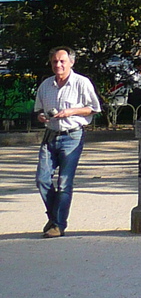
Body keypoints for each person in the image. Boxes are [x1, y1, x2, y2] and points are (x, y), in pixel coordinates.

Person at [33, 46, 101, 238]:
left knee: (64, 183)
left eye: (62, 61)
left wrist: (71, 111)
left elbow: (93, 108)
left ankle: (58, 224)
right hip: (50, 136)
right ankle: (55, 216)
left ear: (71, 62)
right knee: (42, 179)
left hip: (72, 136)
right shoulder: (46, 85)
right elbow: (38, 109)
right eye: (55, 61)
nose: (58, 65)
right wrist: (41, 117)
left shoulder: (81, 83)